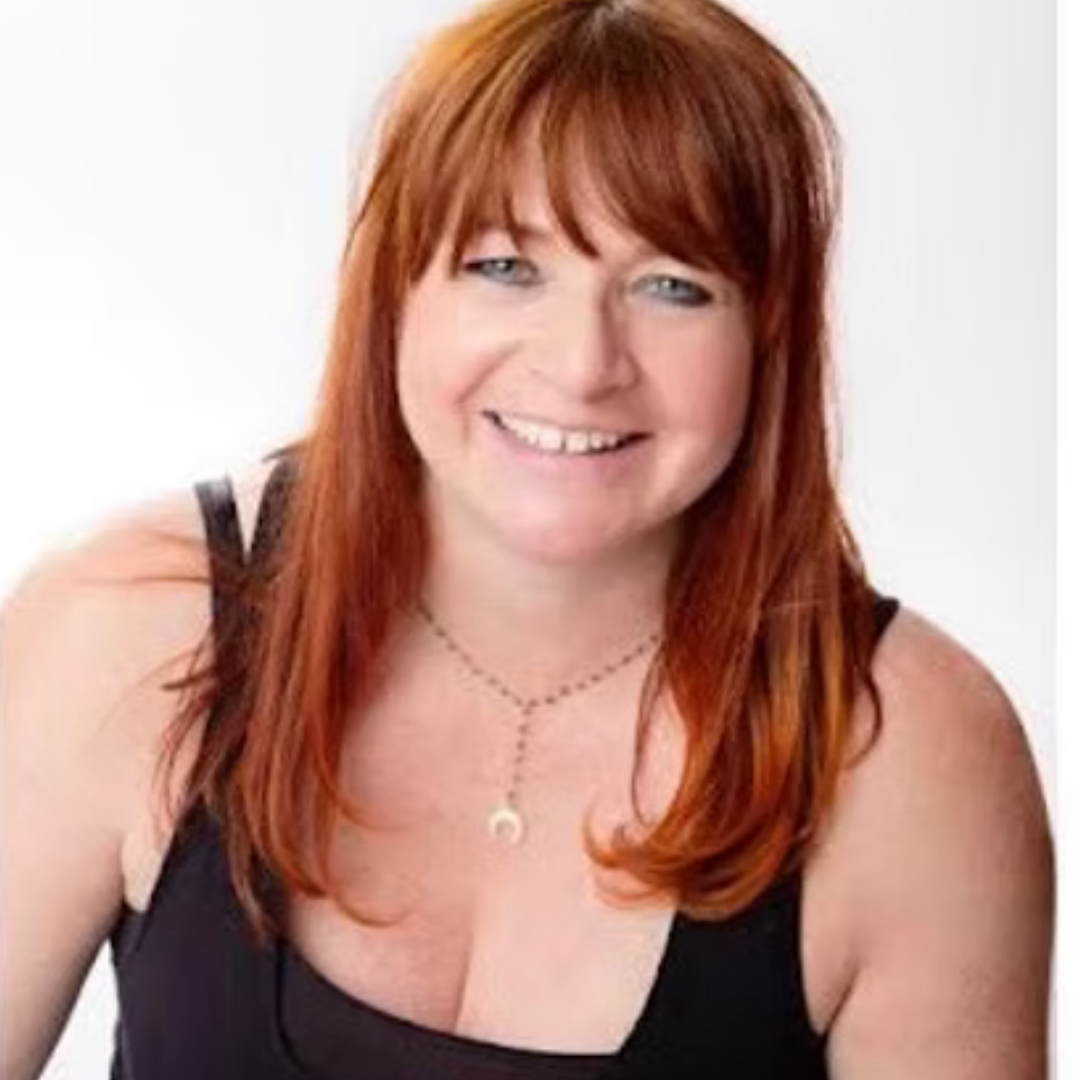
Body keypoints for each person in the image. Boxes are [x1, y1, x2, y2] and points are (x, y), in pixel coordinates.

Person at [0, 0, 1054, 1076]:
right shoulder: (127, 630)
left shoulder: (907, 758)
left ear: (770, 337)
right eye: (507, 267)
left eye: (673, 286)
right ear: (393, 292)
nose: (584, 363)